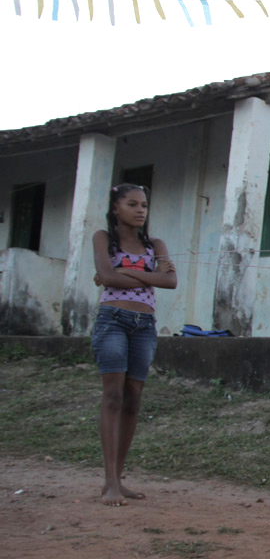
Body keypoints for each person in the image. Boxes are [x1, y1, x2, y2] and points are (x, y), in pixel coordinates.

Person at [91, 183, 177, 506]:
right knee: (112, 395)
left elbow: (170, 281)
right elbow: (106, 276)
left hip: (145, 325)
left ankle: (118, 478)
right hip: (113, 319)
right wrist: (144, 273)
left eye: (144, 205)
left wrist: (125, 269)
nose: (140, 210)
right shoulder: (103, 238)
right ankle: (110, 481)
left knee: (133, 399)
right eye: (132, 204)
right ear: (116, 208)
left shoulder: (155, 244)